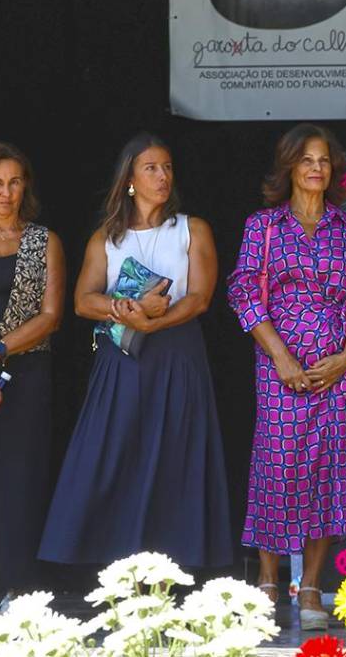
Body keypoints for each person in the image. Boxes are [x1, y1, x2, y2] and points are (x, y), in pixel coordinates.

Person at [40, 133, 232, 569]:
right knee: (115, 453)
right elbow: (82, 301)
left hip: (178, 355)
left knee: (175, 456)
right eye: (151, 168)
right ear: (129, 179)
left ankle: (175, 564)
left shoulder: (191, 229)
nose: (163, 176)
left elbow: (200, 298)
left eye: (167, 168)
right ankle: (114, 563)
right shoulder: (106, 238)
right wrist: (125, 310)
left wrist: (154, 321)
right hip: (122, 358)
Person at [227, 124, 346, 630]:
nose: (316, 168)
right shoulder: (264, 226)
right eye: (307, 159)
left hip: (337, 372)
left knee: (330, 474)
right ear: (289, 166)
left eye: (324, 160)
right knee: (279, 468)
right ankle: (268, 580)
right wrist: (282, 359)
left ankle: (311, 586)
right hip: (280, 368)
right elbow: (243, 294)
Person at [0, 143, 64, 622]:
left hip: (24, 371)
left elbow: (50, 317)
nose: (5, 193)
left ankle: (19, 587)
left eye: (14, 182)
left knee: (20, 479)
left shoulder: (43, 241)